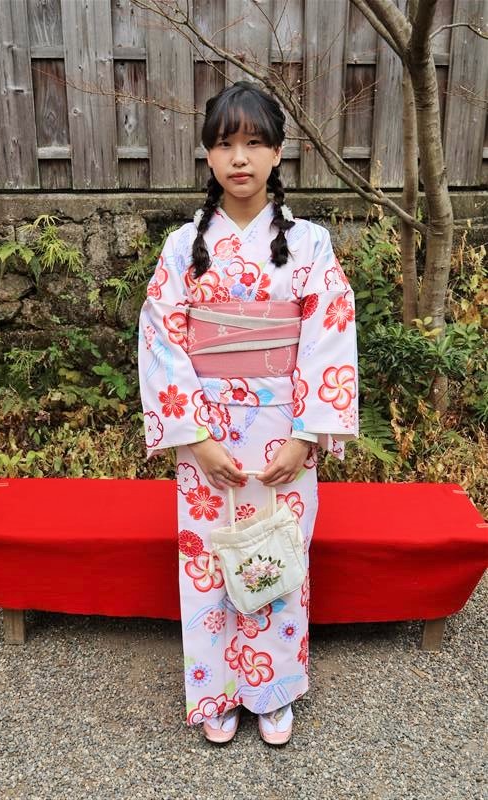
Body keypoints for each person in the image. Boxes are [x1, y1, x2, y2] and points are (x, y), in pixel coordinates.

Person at [138, 81, 358, 745]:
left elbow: (329, 333)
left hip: (282, 431)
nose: (240, 157)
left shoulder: (309, 244)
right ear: (207, 155)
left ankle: (273, 688)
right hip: (205, 430)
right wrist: (195, 438)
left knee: (277, 557)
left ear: (277, 153)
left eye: (254, 143)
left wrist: (306, 434)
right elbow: (162, 337)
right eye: (225, 143)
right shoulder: (183, 246)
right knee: (208, 562)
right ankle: (217, 692)